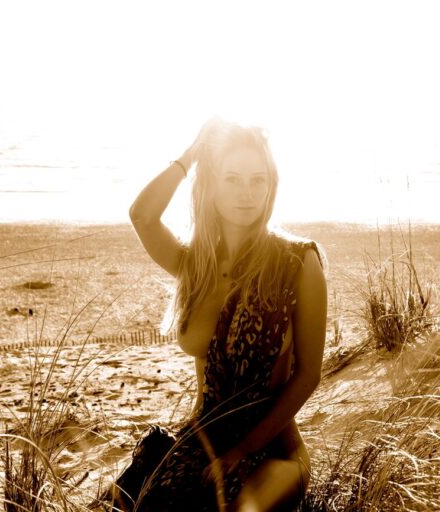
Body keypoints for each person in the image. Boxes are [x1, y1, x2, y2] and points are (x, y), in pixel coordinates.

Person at [101, 117, 327, 511]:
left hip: (275, 450)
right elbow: (142, 215)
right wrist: (192, 155)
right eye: (232, 179)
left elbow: (308, 374)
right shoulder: (197, 266)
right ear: (211, 185)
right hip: (202, 439)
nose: (247, 192)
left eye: (258, 179)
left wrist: (243, 449)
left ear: (271, 185)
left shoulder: (297, 262)